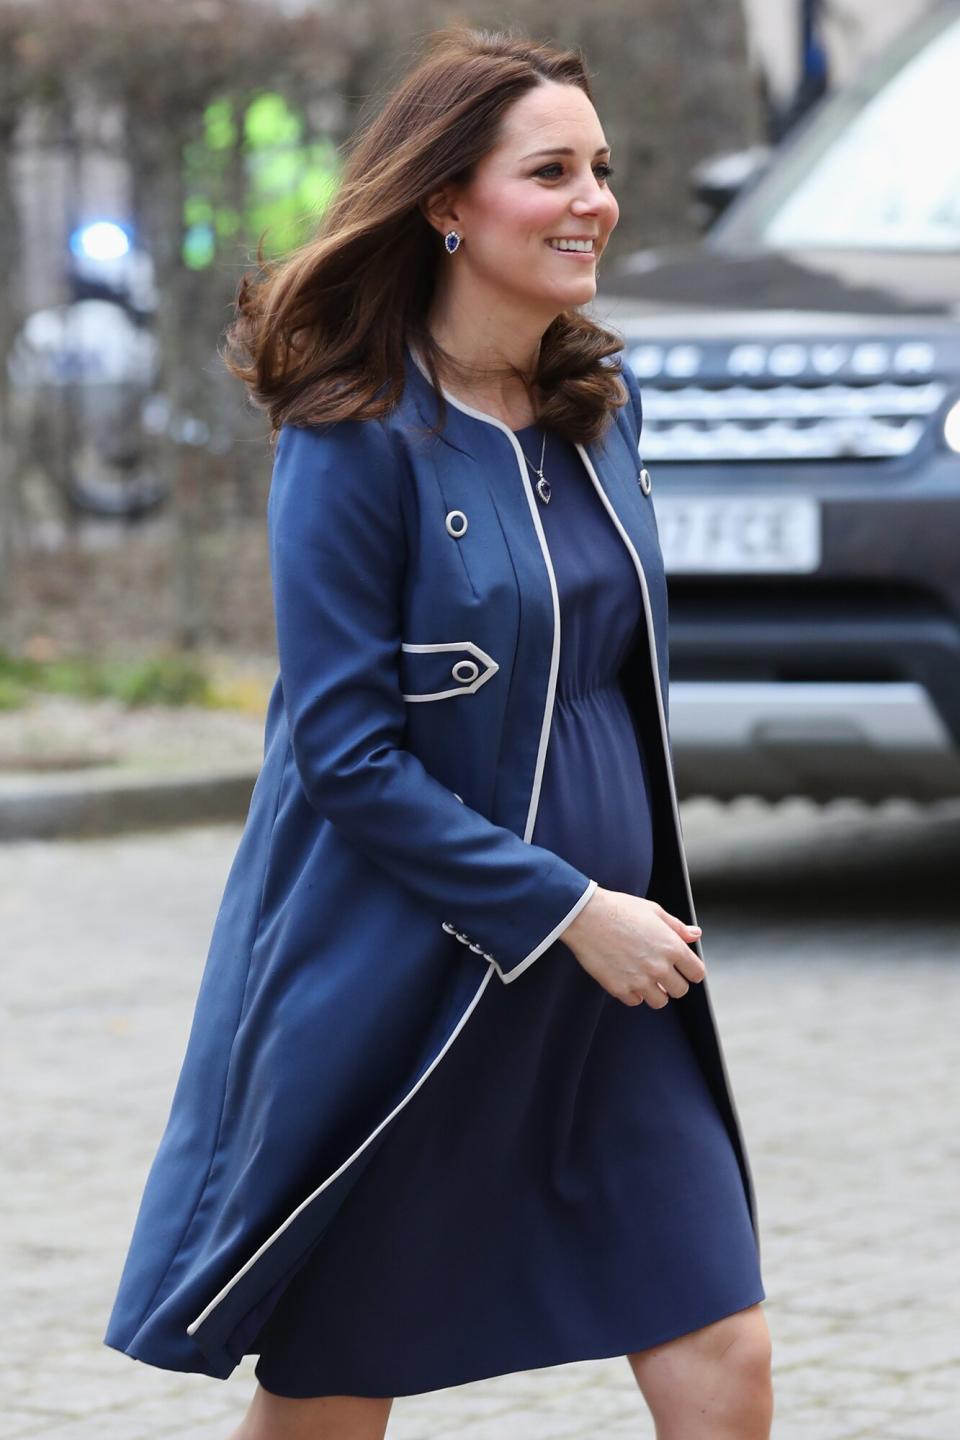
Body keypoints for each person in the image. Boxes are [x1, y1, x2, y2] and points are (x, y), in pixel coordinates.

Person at [103, 25, 774, 1440]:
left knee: (724, 1354)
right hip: (413, 989)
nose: (594, 198)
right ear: (448, 202)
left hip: (617, 990)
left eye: (602, 166)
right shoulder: (353, 433)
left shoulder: (600, 401)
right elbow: (343, 757)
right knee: (334, 1400)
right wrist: (566, 906)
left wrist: (611, 913)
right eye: (552, 171)